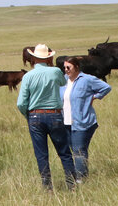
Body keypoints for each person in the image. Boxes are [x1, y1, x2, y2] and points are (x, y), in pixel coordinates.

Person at [17, 44, 76, 191]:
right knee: (64, 152)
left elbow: (21, 103)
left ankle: (47, 187)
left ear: (33, 58)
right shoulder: (55, 71)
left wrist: (28, 115)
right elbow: (63, 82)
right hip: (54, 115)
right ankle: (72, 185)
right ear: (49, 57)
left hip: (35, 115)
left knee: (41, 154)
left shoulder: (28, 76)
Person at [61, 56, 112, 182]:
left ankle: (80, 179)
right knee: (74, 150)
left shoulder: (87, 79)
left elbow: (106, 87)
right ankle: (80, 175)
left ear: (77, 67)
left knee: (79, 151)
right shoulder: (63, 80)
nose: (66, 70)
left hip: (83, 121)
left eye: (69, 67)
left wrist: (94, 97)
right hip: (66, 121)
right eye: (65, 67)